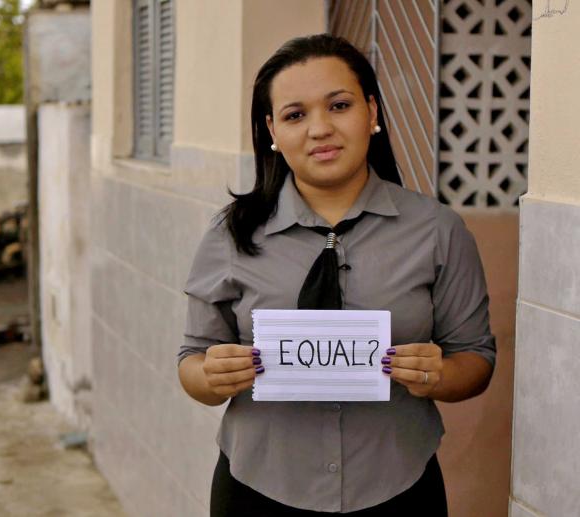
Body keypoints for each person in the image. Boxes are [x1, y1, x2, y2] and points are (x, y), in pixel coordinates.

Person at [177, 34, 495, 516]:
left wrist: (440, 375)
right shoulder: (231, 234)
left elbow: (475, 359)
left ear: (372, 112)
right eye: (295, 115)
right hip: (259, 488)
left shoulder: (438, 231)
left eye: (339, 105)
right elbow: (191, 362)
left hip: (398, 484)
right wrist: (211, 375)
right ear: (272, 131)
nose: (319, 129)